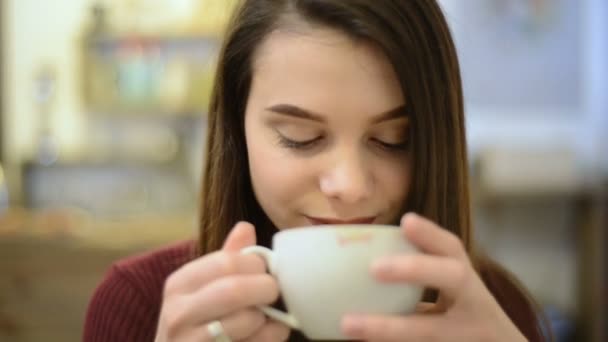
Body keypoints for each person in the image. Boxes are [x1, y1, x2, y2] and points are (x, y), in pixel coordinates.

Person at [84, 0, 551, 341]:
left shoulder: (490, 314)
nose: (348, 185)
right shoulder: (143, 306)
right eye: (300, 138)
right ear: (236, 128)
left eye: (393, 141)